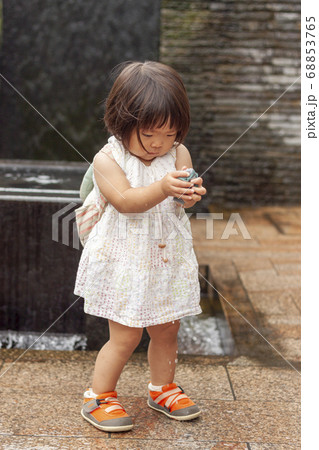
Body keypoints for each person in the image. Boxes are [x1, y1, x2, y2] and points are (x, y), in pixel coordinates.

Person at [74, 61, 206, 432]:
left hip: (165, 255)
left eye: (171, 133)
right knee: (127, 334)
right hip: (125, 259)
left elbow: (181, 198)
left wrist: (188, 194)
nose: (161, 144)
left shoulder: (178, 153)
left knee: (167, 327)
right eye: (150, 135)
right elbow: (128, 201)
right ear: (122, 122)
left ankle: (162, 388)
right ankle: (99, 396)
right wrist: (164, 187)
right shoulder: (108, 159)